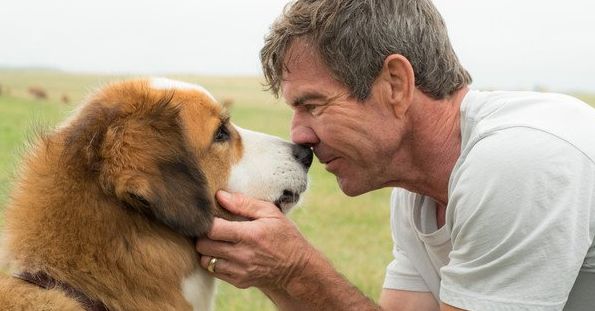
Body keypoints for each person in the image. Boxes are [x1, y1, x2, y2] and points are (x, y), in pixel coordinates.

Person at [196, 0, 595, 310]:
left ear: (395, 84)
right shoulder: (417, 197)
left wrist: (295, 270)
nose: (299, 135)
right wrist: (274, 270)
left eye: (314, 105)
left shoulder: (517, 161)